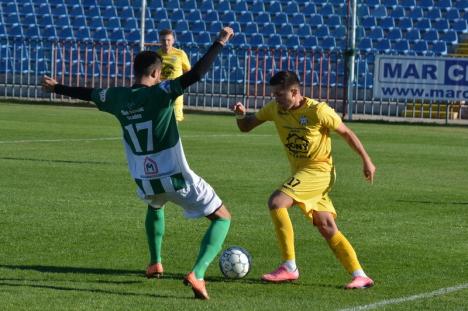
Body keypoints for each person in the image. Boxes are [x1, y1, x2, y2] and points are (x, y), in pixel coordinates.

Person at [42, 27, 235, 300]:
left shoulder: (117, 97)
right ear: (157, 74)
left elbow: (87, 93)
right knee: (222, 218)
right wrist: (220, 42)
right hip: (176, 177)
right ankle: (198, 273)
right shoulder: (162, 92)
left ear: (135, 71)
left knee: (155, 204)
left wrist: (57, 87)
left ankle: (155, 262)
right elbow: (196, 74)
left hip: (144, 180)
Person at [231, 71, 376, 289]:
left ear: (295, 92)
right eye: (274, 94)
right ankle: (361, 275)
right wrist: (241, 115)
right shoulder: (275, 109)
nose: (276, 99)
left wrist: (367, 161)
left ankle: (289, 267)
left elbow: (346, 133)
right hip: (303, 173)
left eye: (280, 94)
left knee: (277, 202)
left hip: (319, 171)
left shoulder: (318, 111)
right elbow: (246, 126)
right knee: (325, 225)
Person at [156, 29, 191, 122]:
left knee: (175, 120)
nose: (166, 43)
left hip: (175, 91)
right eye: (163, 40)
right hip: (160, 92)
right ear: (160, 41)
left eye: (168, 40)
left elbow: (188, 71)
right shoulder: (156, 55)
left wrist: (181, 84)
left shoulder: (180, 54)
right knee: (160, 119)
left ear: (173, 40)